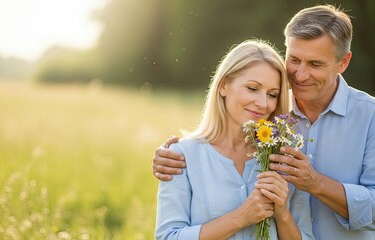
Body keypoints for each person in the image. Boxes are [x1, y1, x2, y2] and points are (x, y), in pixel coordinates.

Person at [153, 4, 375, 240]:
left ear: (343, 62)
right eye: (294, 60)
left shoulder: (369, 116)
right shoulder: (270, 115)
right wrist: (172, 156)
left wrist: (313, 184)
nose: (299, 75)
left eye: (315, 64)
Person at [155, 39, 314, 239]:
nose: (263, 103)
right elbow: (168, 237)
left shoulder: (285, 160)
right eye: (253, 88)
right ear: (223, 86)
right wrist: (241, 217)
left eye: (272, 94)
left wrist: (282, 213)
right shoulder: (181, 156)